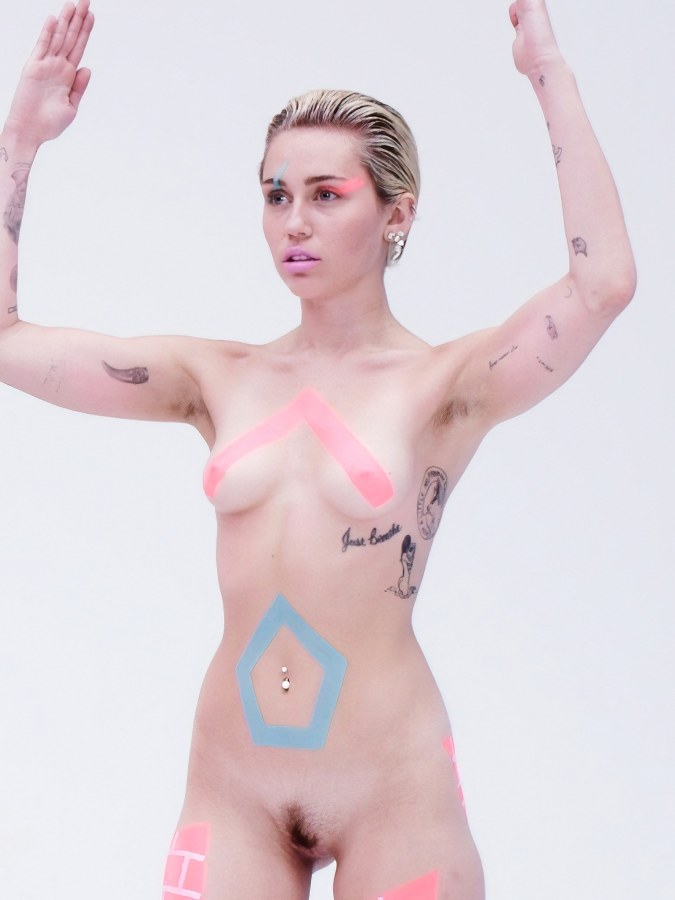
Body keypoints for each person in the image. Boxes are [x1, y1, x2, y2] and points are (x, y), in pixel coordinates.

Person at [0, 1, 636, 898]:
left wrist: (549, 77)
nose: (293, 222)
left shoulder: (446, 386)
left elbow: (601, 284)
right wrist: (19, 140)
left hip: (392, 792)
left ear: (395, 213)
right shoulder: (210, 378)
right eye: (276, 195)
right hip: (232, 791)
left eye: (326, 195)